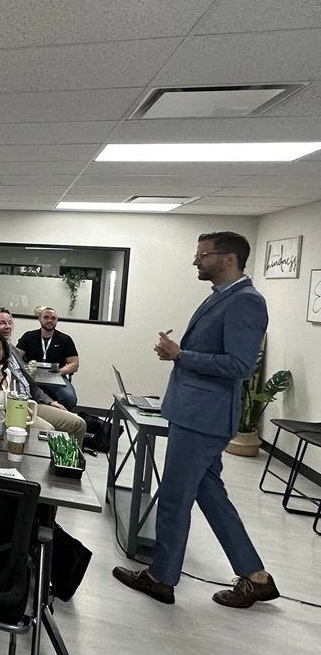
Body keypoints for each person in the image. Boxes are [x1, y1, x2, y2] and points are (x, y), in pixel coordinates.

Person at [113, 231, 280, 609]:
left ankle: (161, 577)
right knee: (211, 495)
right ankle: (255, 576)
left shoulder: (246, 302)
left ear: (229, 259)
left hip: (204, 417)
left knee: (173, 498)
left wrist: (181, 355)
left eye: (203, 255)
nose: (196, 261)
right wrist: (178, 354)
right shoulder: (223, 298)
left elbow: (239, 366)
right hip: (196, 412)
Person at [0, 307, 86, 445]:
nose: (7, 327)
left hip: (34, 399)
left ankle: (69, 464)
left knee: (79, 423)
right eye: (2, 323)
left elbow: (27, 381)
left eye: (9, 323)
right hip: (18, 405)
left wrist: (50, 401)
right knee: (49, 430)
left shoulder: (11, 348)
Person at [16, 307, 79, 410]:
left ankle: (54, 417)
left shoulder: (65, 339)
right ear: (39, 319)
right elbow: (16, 358)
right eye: (46, 317)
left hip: (56, 378)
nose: (49, 320)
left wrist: (58, 372)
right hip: (32, 377)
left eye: (53, 318)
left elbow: (74, 364)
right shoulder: (28, 337)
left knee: (69, 399)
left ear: (57, 321)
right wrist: (26, 369)